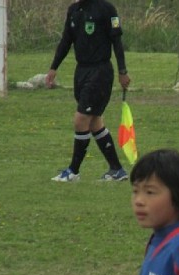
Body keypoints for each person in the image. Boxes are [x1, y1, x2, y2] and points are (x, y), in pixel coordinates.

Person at [46, 0, 131, 183]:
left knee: (81, 119)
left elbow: (117, 42)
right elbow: (66, 41)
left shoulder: (106, 9)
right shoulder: (73, 10)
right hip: (81, 71)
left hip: (100, 71)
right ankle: (117, 170)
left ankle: (73, 171)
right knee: (94, 122)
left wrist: (122, 71)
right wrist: (53, 67)